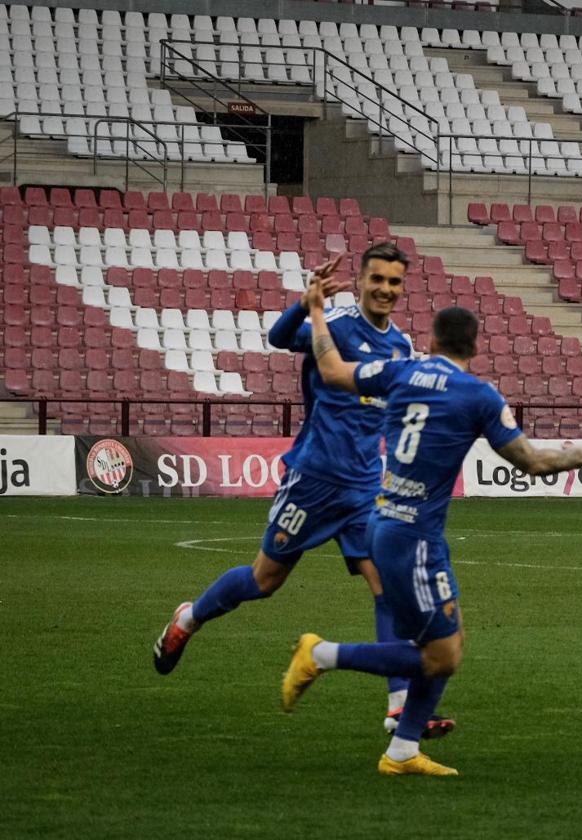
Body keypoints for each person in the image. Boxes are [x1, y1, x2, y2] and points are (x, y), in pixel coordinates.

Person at [279, 293, 582, 777]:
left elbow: (335, 371)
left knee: (449, 644)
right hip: (413, 538)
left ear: (431, 339)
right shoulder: (477, 394)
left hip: (388, 523)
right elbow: (531, 461)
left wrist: (317, 314)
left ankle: (402, 750)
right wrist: (574, 456)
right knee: (441, 654)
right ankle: (320, 654)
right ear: (475, 346)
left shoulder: (403, 372)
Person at [153, 243, 452, 739]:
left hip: (363, 488)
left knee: (389, 589)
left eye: (394, 282)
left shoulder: (400, 346)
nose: (384, 289)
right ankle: (191, 615)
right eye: (376, 279)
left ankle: (399, 704)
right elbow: (277, 336)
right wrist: (305, 302)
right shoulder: (331, 322)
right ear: (360, 280)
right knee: (264, 580)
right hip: (312, 479)